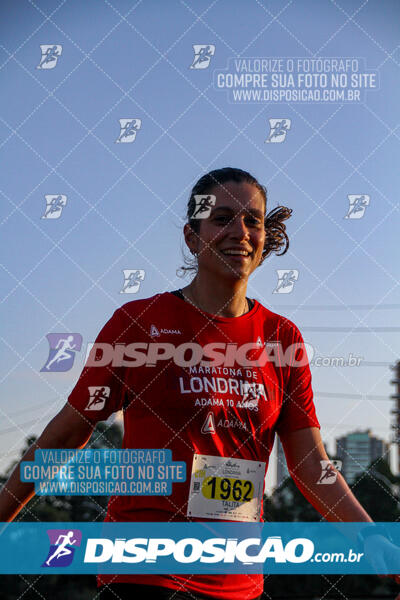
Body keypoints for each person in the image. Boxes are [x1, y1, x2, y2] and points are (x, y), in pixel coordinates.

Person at [0, 167, 398, 599]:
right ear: (192, 237)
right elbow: (69, 431)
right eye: (222, 218)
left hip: (237, 582)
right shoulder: (137, 323)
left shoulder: (282, 339)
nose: (239, 232)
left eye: (252, 220)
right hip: (143, 574)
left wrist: (370, 537)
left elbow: (310, 464)